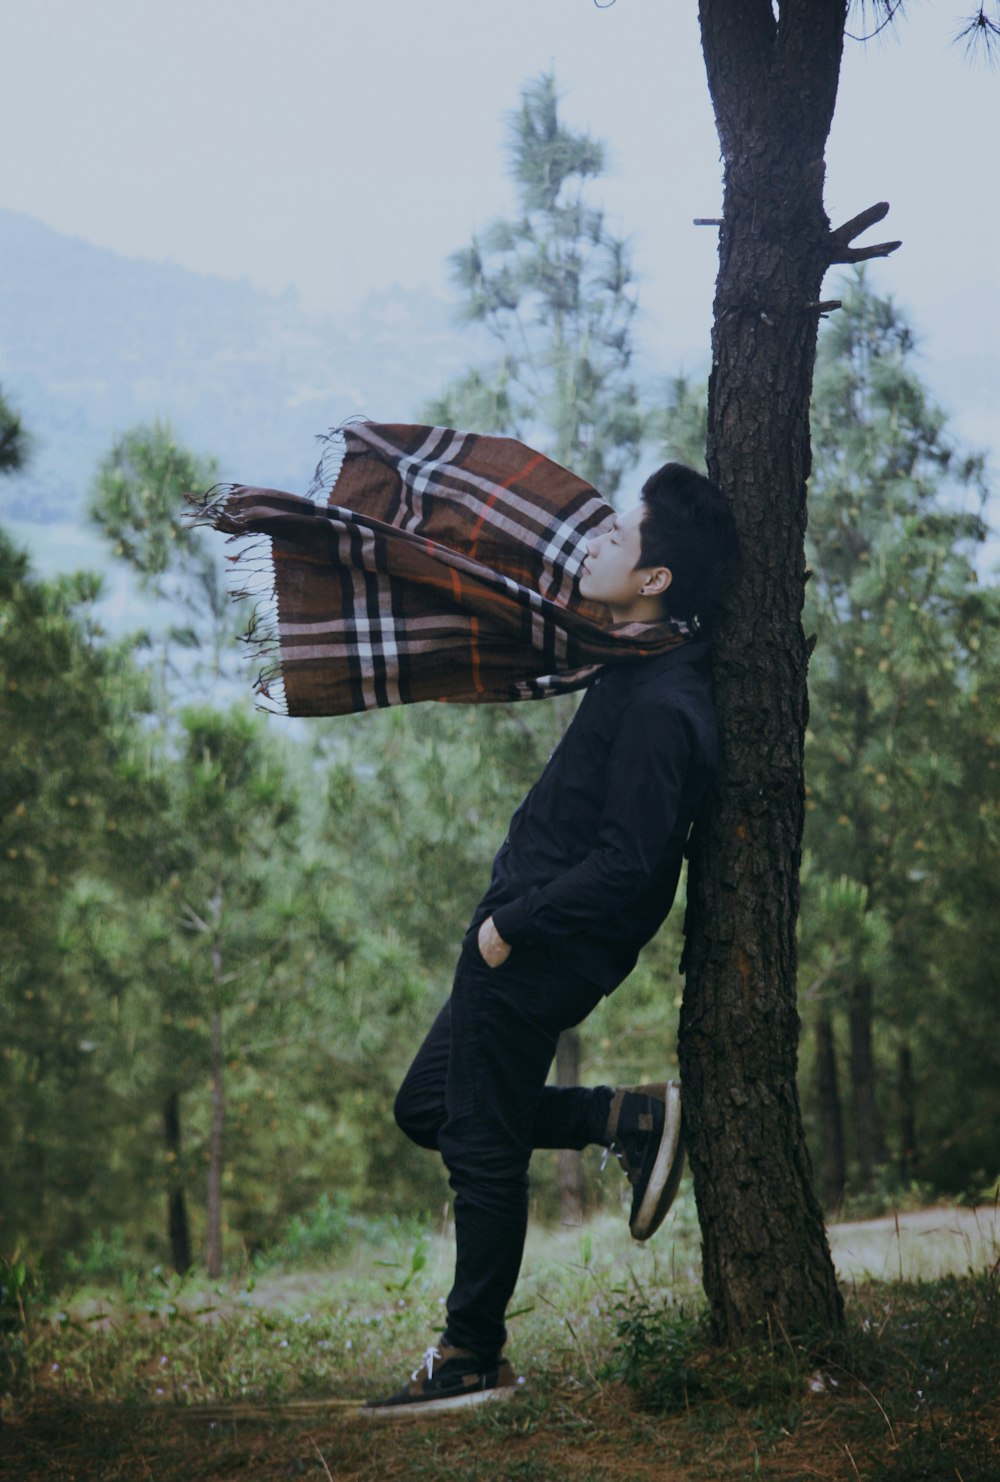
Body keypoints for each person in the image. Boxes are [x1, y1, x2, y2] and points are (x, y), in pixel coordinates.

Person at [362, 461, 737, 1418]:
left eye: (619, 537)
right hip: (515, 938)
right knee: (430, 1107)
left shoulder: (665, 706)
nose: (598, 544)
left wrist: (508, 930)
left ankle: (470, 1355)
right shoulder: (640, 663)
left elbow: (630, 865)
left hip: (532, 950)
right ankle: (624, 1119)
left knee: (480, 1142)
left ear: (655, 580)